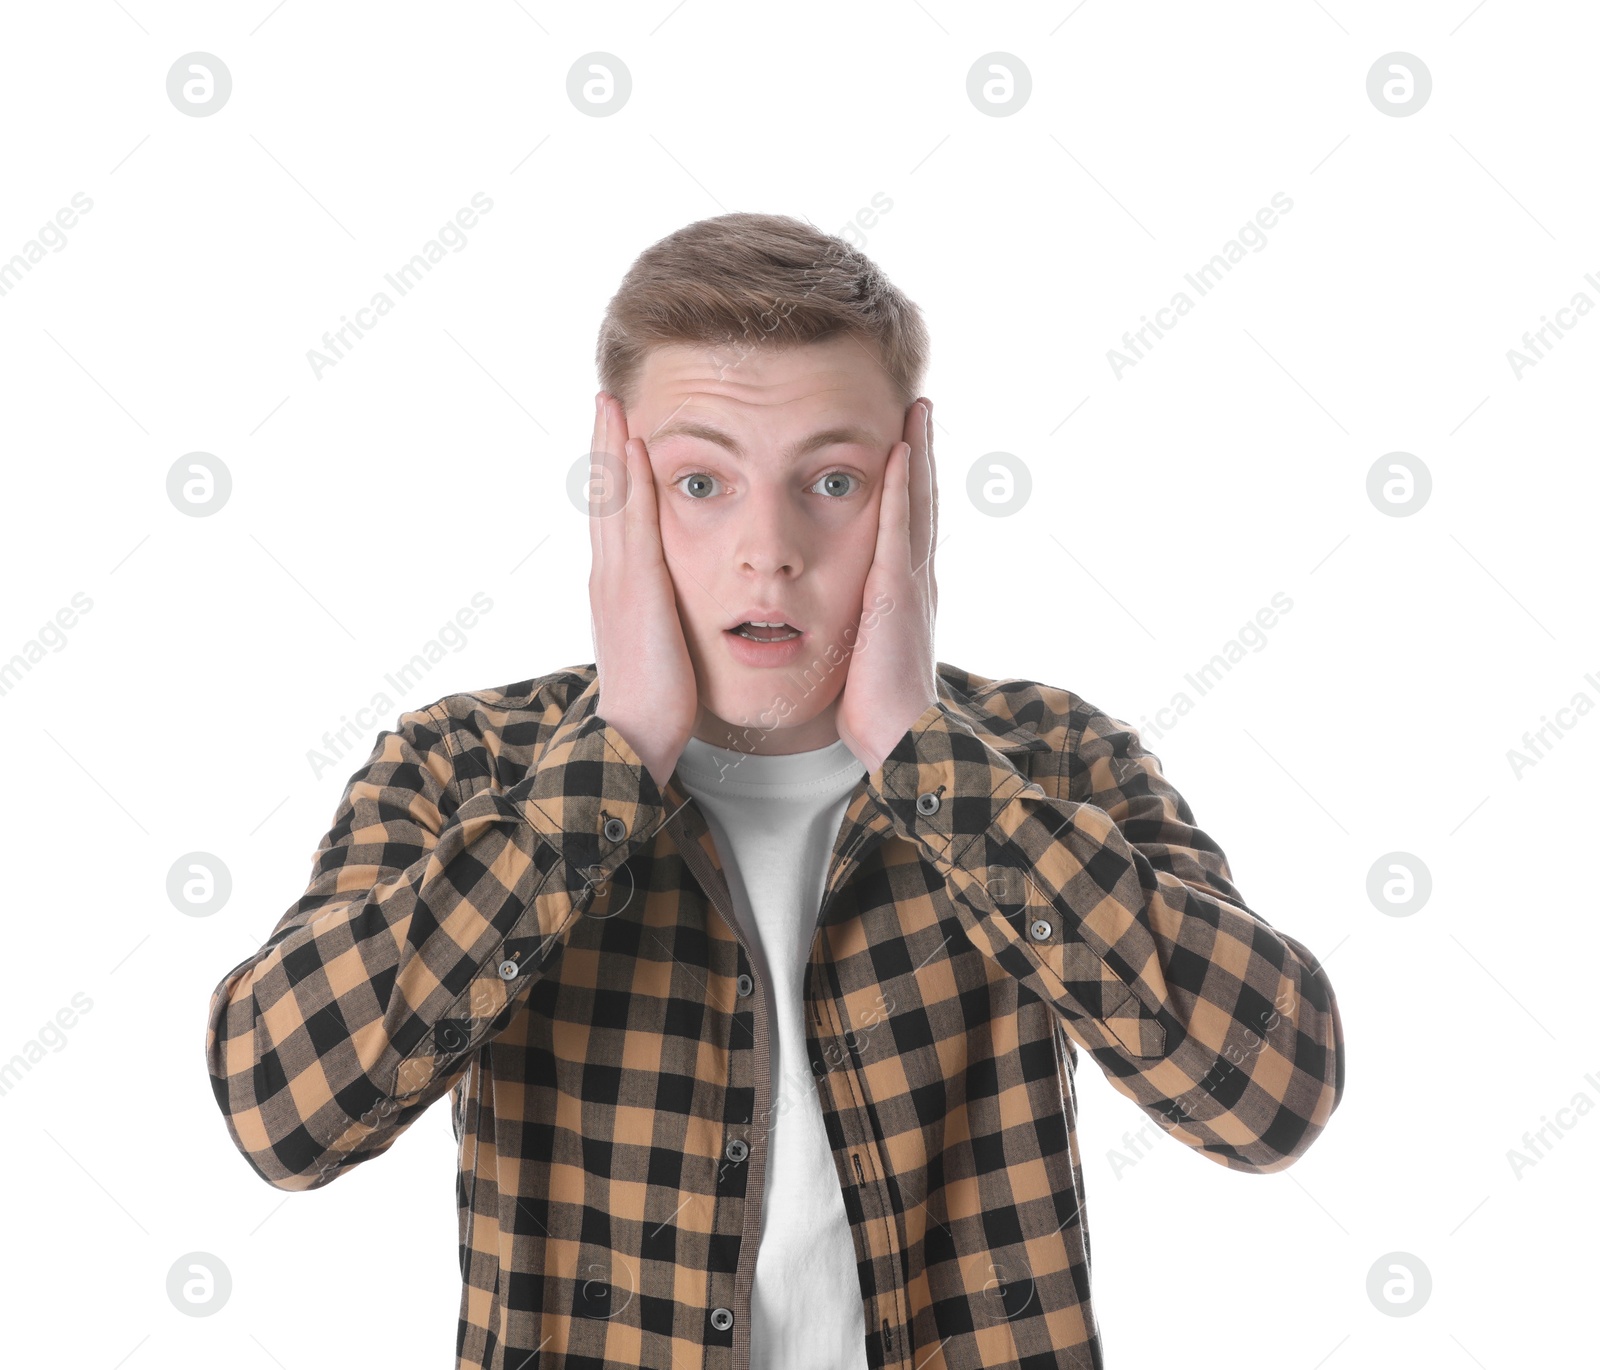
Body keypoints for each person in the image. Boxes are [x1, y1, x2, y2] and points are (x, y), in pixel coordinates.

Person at [205, 212, 1345, 1370]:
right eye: (700, 480)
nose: (769, 548)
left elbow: (1270, 1094)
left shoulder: (1049, 760)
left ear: (913, 493)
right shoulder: (466, 765)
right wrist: (614, 755)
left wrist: (921, 751)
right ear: (615, 495)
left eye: (832, 480)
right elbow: (284, 1113)